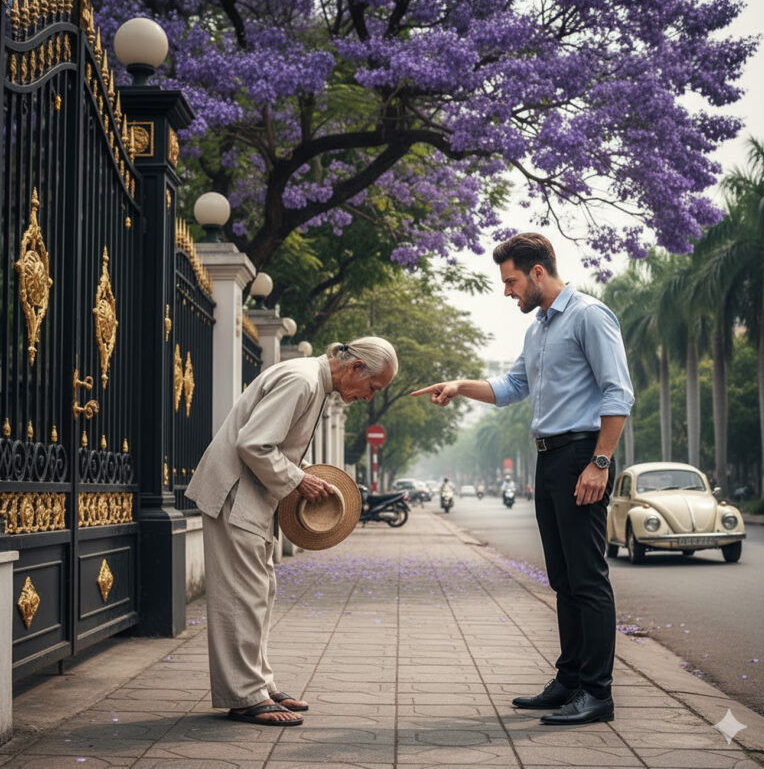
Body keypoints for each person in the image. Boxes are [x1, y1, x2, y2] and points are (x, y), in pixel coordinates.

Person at [412, 232, 634, 725]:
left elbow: (618, 393)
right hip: (549, 459)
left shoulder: (589, 316)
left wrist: (599, 463)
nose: (507, 291)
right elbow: (513, 386)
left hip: (581, 453)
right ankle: (570, 679)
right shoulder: (537, 331)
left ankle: (597, 693)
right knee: (562, 578)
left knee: (588, 578)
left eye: (511, 281)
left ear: (537, 272)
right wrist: (460, 385)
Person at [186, 337, 398, 726]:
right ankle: (245, 695)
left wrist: (294, 479)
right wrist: (300, 480)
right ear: (354, 368)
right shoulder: (302, 380)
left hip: (250, 497)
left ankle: (259, 685)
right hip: (236, 492)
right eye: (373, 387)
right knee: (243, 596)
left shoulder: (314, 383)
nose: (369, 396)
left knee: (259, 591)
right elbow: (254, 443)